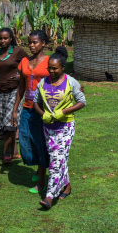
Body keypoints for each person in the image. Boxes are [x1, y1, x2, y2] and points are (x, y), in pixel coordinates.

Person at [33, 46, 86, 209]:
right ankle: (67, 186)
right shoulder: (43, 83)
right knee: (58, 158)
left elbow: (82, 101)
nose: (51, 71)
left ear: (63, 67)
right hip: (48, 127)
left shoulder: (71, 82)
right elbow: (36, 102)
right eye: (49, 68)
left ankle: (49, 196)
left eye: (55, 68)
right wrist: (43, 114)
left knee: (56, 160)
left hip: (65, 126)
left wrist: (63, 112)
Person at [11, 30, 50, 193]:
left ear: (43, 43)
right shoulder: (25, 61)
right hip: (27, 108)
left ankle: (41, 181)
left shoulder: (49, 61)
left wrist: (76, 87)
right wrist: (15, 109)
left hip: (42, 110)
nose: (32, 45)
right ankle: (39, 167)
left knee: (40, 143)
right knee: (25, 143)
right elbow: (21, 86)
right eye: (30, 42)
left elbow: (61, 79)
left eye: (35, 42)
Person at [0, 28, 28, 163]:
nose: (2, 41)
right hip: (1, 91)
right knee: (5, 122)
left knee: (8, 122)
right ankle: (15, 152)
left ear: (11, 38)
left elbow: (29, 66)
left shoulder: (18, 52)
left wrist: (19, 77)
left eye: (5, 38)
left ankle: (6, 154)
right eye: (0, 38)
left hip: (15, 91)